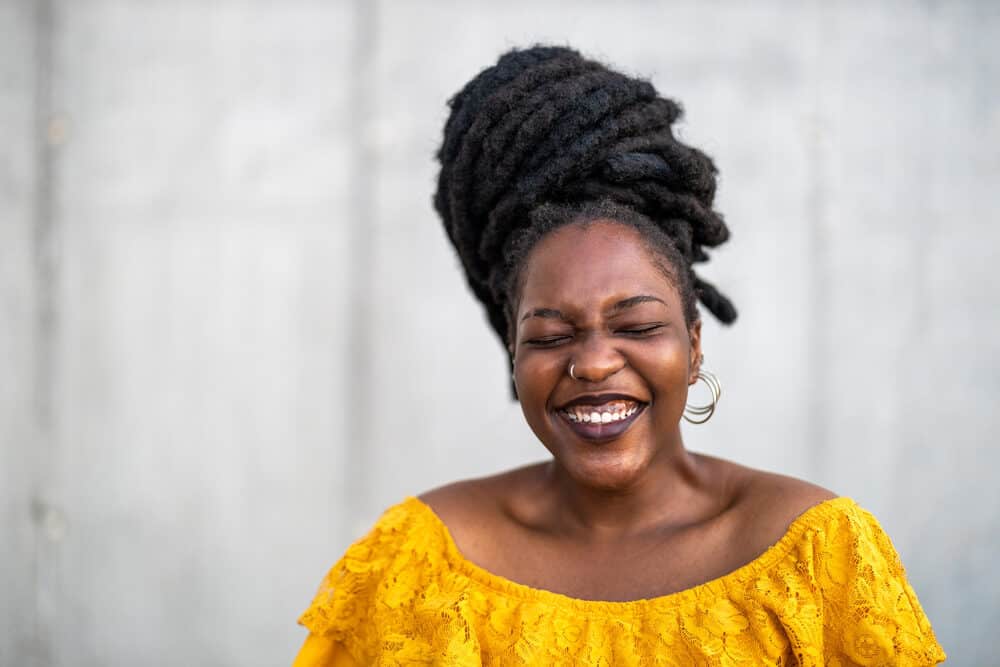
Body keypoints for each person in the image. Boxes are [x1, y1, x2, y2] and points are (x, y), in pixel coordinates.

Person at [292, 46, 945, 666]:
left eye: (634, 325)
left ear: (693, 346)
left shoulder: (816, 555)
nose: (595, 362)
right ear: (513, 355)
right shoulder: (424, 560)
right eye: (549, 336)